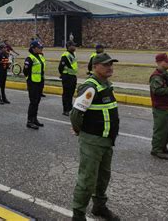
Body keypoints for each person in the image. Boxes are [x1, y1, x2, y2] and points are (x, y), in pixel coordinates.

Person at [70, 53, 120, 221]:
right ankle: (78, 215)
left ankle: (99, 207)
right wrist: (79, 131)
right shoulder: (90, 87)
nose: (110, 67)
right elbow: (76, 114)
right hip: (92, 141)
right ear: (95, 66)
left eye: (111, 64)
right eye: (106, 65)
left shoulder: (106, 84)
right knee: (87, 180)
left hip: (106, 141)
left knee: (103, 177)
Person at [149, 53, 168, 159]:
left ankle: (163, 147)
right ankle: (156, 149)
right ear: (159, 62)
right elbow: (157, 90)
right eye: (167, 61)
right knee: (161, 129)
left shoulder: (165, 74)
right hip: (161, 107)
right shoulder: (156, 76)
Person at [24, 40, 45, 129]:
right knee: (33, 102)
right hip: (32, 83)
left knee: (37, 102)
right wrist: (30, 80)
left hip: (40, 82)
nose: (41, 49)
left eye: (41, 47)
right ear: (33, 48)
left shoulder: (40, 57)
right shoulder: (30, 58)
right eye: (39, 47)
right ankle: (29, 121)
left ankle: (35, 119)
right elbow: (25, 71)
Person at [59, 41, 78, 116]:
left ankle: (70, 107)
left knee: (71, 93)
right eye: (73, 46)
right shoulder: (65, 55)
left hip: (73, 76)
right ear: (69, 46)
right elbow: (60, 67)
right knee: (66, 94)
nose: (75, 47)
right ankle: (65, 109)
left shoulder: (73, 54)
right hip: (67, 77)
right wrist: (62, 74)